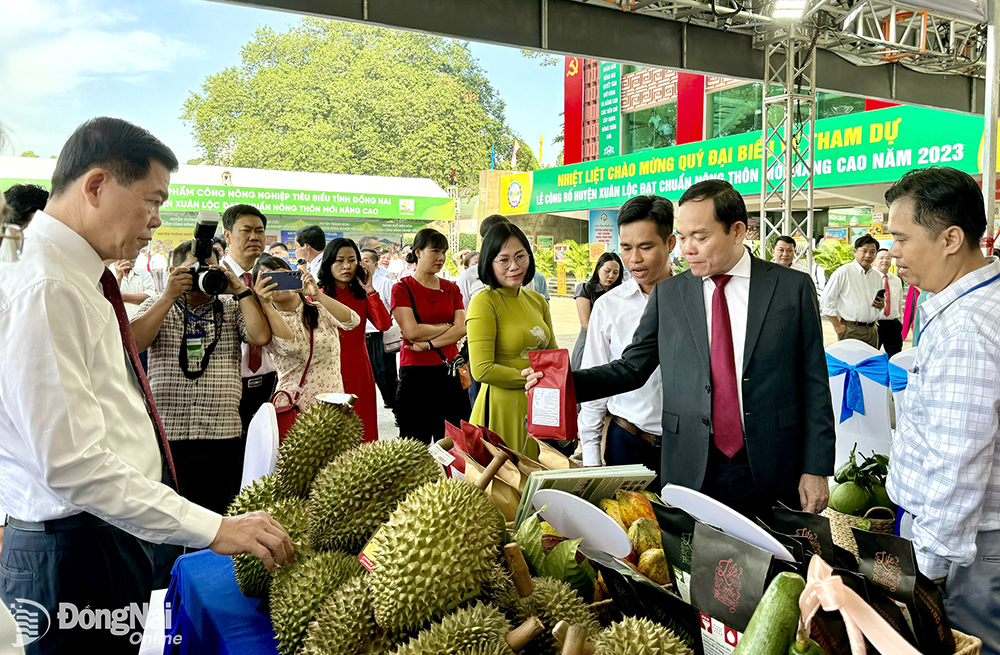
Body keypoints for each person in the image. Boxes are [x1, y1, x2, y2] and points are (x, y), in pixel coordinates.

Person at [0, 117, 292, 654]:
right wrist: (212, 528)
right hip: (72, 551)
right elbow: (71, 463)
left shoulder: (79, 280)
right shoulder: (46, 287)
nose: (158, 221)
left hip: (105, 534)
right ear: (95, 186)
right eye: (152, 200)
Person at [528, 180, 835, 521]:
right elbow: (631, 368)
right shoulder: (671, 295)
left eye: (699, 237)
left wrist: (816, 467)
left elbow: (814, 383)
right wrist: (563, 384)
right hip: (693, 463)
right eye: (683, 236)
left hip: (772, 463)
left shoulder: (790, 288)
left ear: (737, 231)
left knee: (774, 567)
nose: (687, 249)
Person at [884, 167, 1000, 654]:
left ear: (951, 238)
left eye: (901, 238)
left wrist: (925, 576)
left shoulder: (967, 331)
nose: (892, 252)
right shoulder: (968, 306)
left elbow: (957, 465)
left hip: (965, 553)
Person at [131, 241, 285, 516]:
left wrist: (240, 290)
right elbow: (135, 344)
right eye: (192, 270)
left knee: (216, 515)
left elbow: (260, 336)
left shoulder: (230, 306)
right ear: (173, 270)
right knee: (168, 515)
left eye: (207, 269)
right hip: (168, 432)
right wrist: (168, 296)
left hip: (222, 431)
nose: (200, 276)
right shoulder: (158, 303)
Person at [579, 195, 674, 489]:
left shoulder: (697, 298)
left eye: (646, 247)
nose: (634, 259)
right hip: (627, 444)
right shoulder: (609, 306)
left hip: (685, 449)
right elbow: (597, 385)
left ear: (670, 243)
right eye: (626, 248)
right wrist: (592, 461)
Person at [467, 222, 556, 457]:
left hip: (539, 406)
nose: (514, 266)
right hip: (500, 407)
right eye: (503, 260)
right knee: (506, 483)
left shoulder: (536, 300)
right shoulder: (484, 302)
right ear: (489, 263)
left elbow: (553, 357)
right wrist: (531, 380)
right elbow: (482, 370)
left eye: (520, 256)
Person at [391, 228, 470, 443]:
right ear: (418, 252)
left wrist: (428, 344)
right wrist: (447, 326)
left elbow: (462, 328)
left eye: (443, 252)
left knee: (455, 443)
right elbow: (411, 331)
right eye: (435, 250)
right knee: (416, 443)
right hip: (416, 376)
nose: (441, 257)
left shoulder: (451, 288)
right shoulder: (402, 288)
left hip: (450, 372)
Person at [254, 255, 360, 415]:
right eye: (271, 279)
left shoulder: (320, 309)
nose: (279, 284)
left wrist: (317, 295)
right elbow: (290, 346)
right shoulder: (266, 322)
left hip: (332, 403)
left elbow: (353, 321)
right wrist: (266, 305)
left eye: (284, 275)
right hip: (292, 407)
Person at [319, 238, 393, 442]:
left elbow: (383, 324)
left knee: (363, 429)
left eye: (352, 260)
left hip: (359, 370)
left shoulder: (362, 295)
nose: (346, 266)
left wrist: (370, 290)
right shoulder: (317, 296)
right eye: (339, 260)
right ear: (328, 264)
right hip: (327, 371)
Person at [222, 203, 279, 436]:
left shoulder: (273, 277)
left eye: (260, 231)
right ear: (227, 235)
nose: (255, 236)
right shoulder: (214, 278)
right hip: (228, 385)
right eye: (246, 230)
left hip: (269, 381)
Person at [820, 234, 886, 348]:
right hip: (851, 329)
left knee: (870, 364)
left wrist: (881, 305)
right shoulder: (843, 272)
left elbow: (876, 302)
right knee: (851, 363)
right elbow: (826, 300)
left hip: (872, 330)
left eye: (872, 252)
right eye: (864, 251)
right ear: (855, 251)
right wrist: (837, 326)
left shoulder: (876, 276)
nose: (868, 255)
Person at [361, 247, 399, 412]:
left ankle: (397, 408)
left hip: (379, 335)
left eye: (366, 260)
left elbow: (395, 308)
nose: (362, 263)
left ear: (375, 264)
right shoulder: (354, 283)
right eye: (359, 260)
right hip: (361, 336)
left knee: (386, 375)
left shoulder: (384, 283)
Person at [571, 252, 624, 370]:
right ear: (598, 269)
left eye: (615, 272)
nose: (611, 276)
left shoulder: (620, 293)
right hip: (590, 341)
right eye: (607, 271)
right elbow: (586, 323)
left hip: (613, 342)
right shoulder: (585, 289)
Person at [458, 215, 510, 308]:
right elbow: (461, 317)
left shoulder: (521, 274)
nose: (500, 244)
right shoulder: (468, 277)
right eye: (495, 239)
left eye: (505, 239)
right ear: (483, 241)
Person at [873, 248, 904, 357]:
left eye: (888, 258)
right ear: (875, 261)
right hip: (876, 324)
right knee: (873, 357)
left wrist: (900, 320)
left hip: (893, 325)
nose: (885, 261)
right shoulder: (870, 279)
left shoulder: (897, 280)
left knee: (895, 357)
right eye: (881, 258)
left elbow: (899, 302)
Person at [112, 256, 156, 321]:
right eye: (128, 254)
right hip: (117, 322)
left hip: (141, 321)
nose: (133, 258)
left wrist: (121, 297)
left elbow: (149, 297)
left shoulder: (144, 274)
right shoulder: (108, 274)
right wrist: (119, 278)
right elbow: (110, 299)